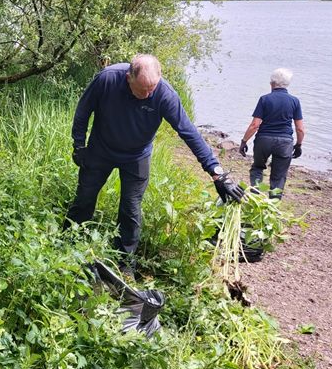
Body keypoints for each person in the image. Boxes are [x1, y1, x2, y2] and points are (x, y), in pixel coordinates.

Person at [65, 54, 244, 272]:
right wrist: (79, 145)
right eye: (143, 90)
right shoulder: (107, 79)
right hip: (100, 150)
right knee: (84, 198)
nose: (148, 94)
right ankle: (68, 244)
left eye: (152, 89)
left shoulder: (164, 95)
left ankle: (124, 263)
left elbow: (188, 132)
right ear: (128, 77)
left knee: (130, 209)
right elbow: (83, 111)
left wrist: (217, 173)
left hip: (136, 156)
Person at [238, 68, 304, 198]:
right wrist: (298, 145)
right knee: (279, 176)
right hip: (285, 143)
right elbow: (300, 129)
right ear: (287, 84)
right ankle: (273, 204)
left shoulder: (264, 99)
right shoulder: (294, 101)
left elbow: (255, 125)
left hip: (264, 140)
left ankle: (255, 197)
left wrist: (244, 141)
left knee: (257, 168)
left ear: (272, 83)